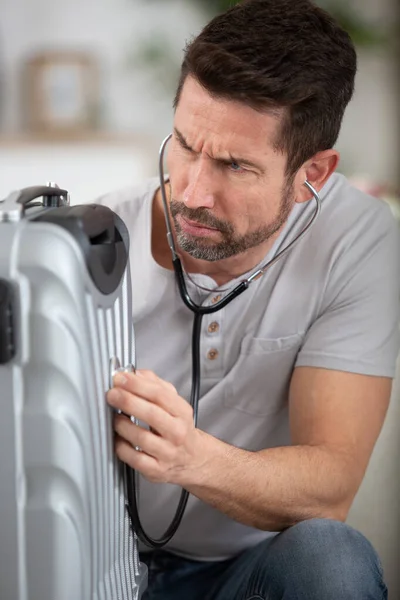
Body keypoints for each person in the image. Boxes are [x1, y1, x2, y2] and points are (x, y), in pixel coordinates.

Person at [102, 0, 400, 598]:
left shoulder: (360, 240)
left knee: (331, 558)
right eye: (186, 144)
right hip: (104, 557)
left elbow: (329, 488)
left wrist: (191, 457)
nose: (192, 192)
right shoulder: (100, 239)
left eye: (236, 166)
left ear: (313, 172)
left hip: (247, 573)